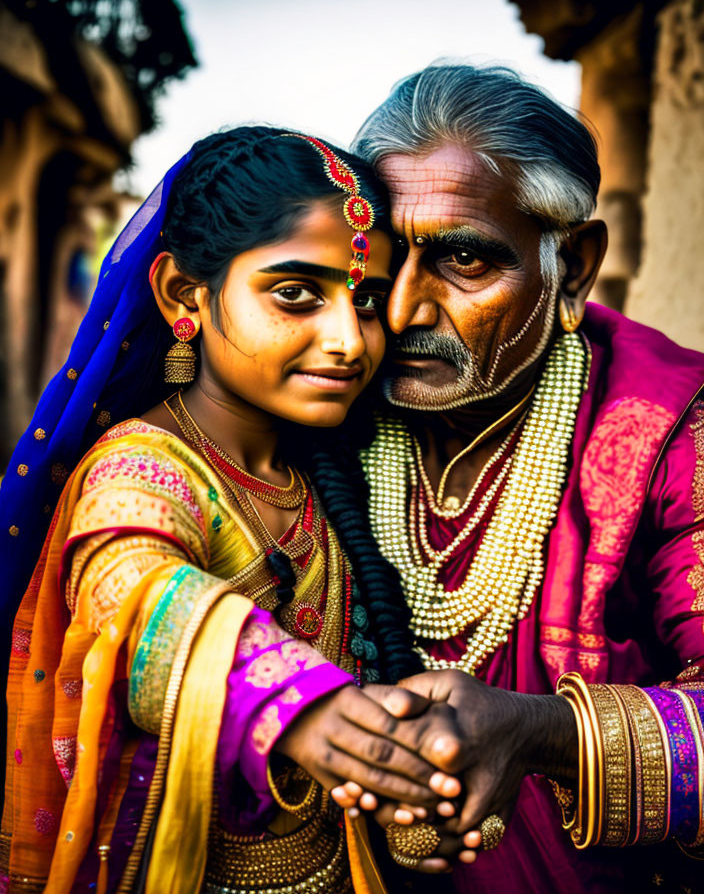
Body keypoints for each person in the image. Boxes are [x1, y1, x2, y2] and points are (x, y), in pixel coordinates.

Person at [0, 127, 469, 894]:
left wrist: (407, 788)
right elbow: (137, 590)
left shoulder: (321, 474)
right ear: (185, 296)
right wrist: (292, 703)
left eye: (369, 302)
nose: (349, 341)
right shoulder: (141, 466)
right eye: (296, 295)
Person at [328, 64, 704, 892]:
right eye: (389, 259)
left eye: (463, 259)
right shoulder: (323, 404)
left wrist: (543, 733)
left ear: (571, 268)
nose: (401, 313)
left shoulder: (671, 429)